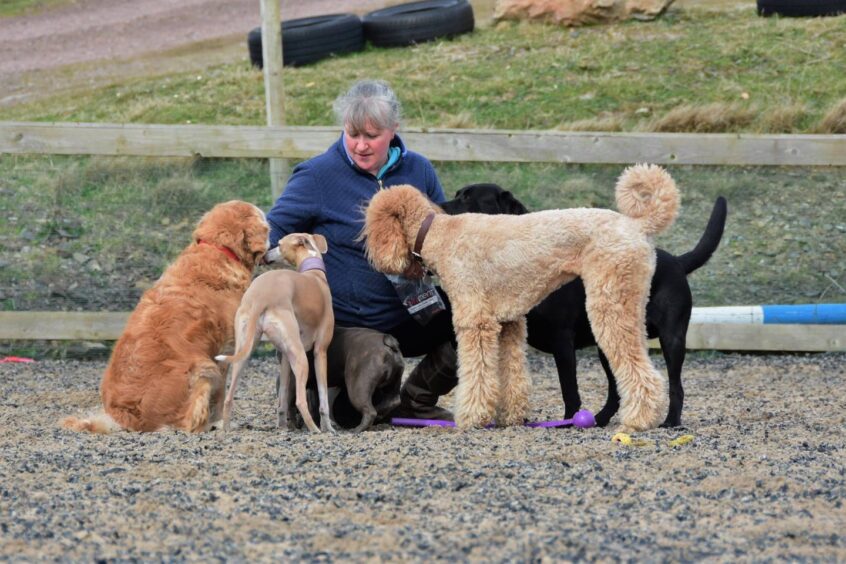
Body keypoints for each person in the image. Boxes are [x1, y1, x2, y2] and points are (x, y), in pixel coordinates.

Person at [266, 79, 457, 422]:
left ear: (394, 129)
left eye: (372, 136)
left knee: (473, 323)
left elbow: (444, 236)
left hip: (411, 309)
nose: (361, 145)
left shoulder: (419, 170)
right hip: (348, 322)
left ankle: (417, 399)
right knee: (357, 412)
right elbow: (272, 233)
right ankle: (320, 386)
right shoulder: (316, 176)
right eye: (353, 134)